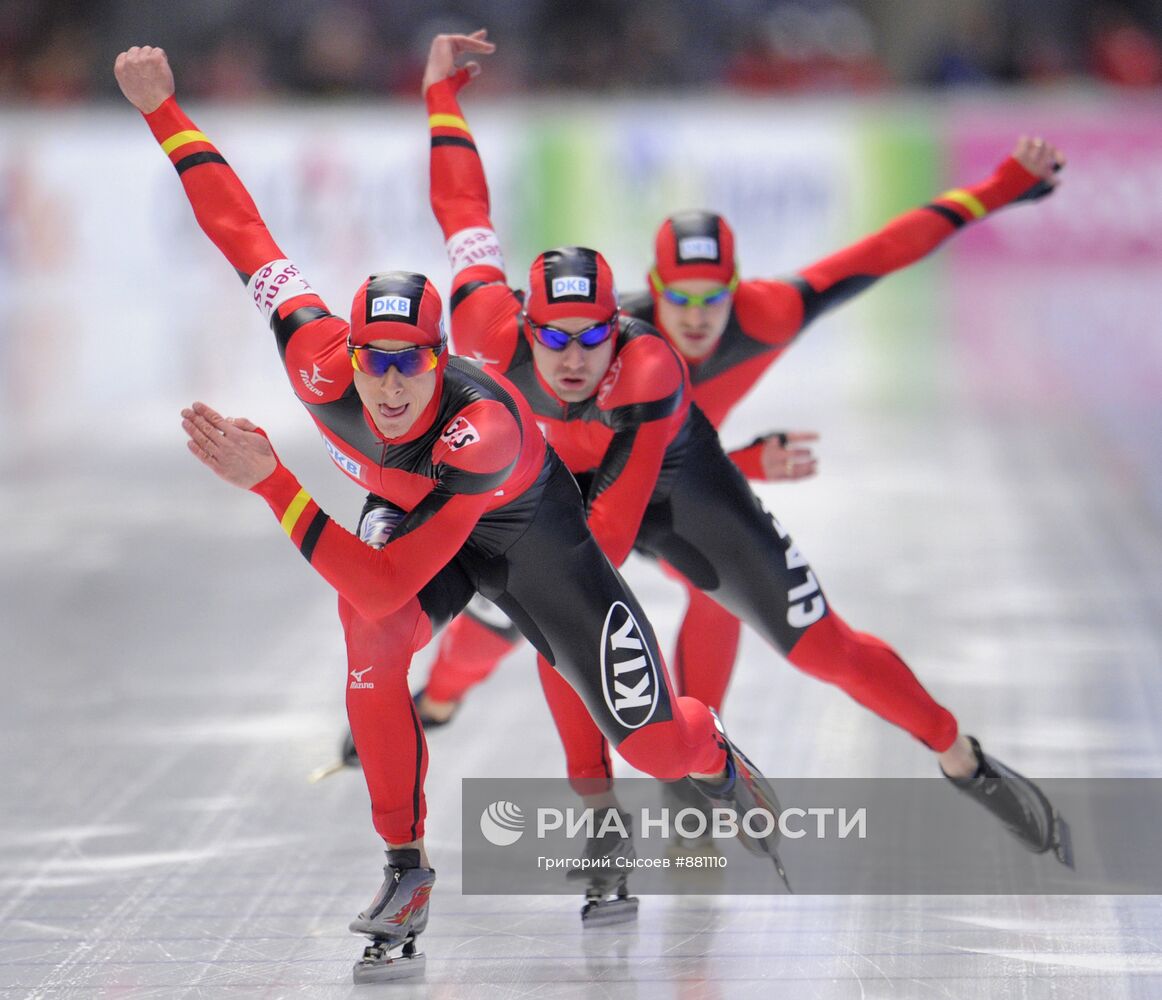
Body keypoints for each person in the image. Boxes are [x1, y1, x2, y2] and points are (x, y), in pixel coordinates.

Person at [115, 44, 783, 982]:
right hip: (425, 524)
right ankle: (404, 867)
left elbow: (388, 569)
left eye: (412, 362)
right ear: (345, 354)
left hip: (531, 536)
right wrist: (165, 113)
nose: (389, 385)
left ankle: (697, 754)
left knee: (647, 735)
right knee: (370, 638)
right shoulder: (313, 354)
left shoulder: (486, 429)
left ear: (443, 356)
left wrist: (275, 483)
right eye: (373, 361)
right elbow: (245, 232)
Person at [411, 30, 1072, 868]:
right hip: (583, 486)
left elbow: (877, 255)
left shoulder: (685, 349)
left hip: (672, 482)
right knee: (505, 624)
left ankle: (959, 757)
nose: (695, 320)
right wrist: (440, 97)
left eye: (712, 300)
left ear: (622, 325)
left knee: (814, 642)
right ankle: (447, 711)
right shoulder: (487, 325)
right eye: (677, 299)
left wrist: (1000, 188)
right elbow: (464, 213)